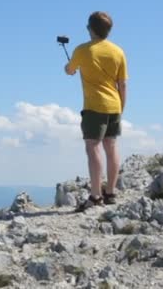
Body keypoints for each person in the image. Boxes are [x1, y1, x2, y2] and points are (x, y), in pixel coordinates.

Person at [64, 11, 128, 212]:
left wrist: (70, 66)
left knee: (93, 147)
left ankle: (95, 196)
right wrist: (121, 108)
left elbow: (69, 70)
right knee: (111, 146)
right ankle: (110, 192)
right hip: (115, 105)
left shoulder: (82, 50)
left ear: (90, 29)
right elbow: (123, 84)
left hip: (94, 106)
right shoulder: (118, 51)